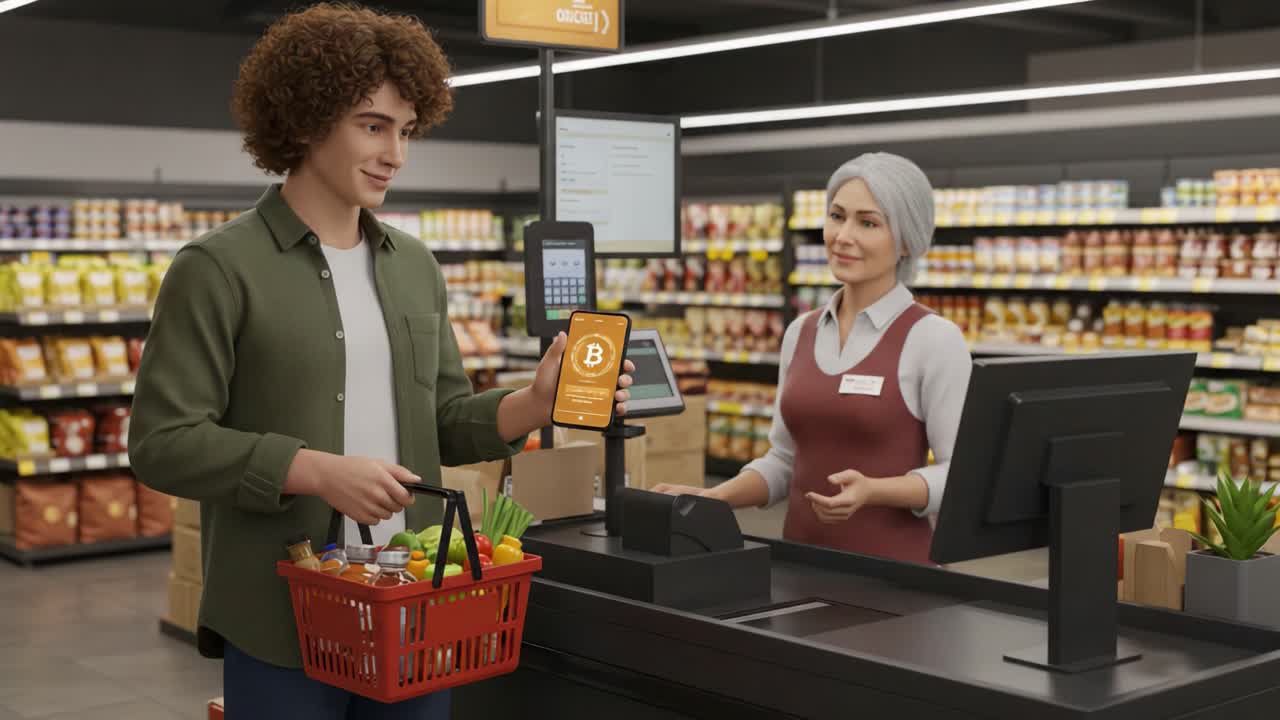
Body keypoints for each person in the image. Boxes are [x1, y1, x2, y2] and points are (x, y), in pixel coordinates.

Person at [128, 5, 632, 718]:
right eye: (372, 125)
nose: (395, 152)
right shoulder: (216, 269)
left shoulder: (415, 269)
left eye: (406, 130)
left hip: (413, 603)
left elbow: (445, 422)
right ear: (306, 122)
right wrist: (315, 471)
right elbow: (162, 443)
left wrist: (535, 402)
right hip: (282, 615)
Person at [654, 152, 970, 564]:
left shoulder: (933, 338)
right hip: (798, 561)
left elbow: (961, 476)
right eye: (837, 216)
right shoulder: (800, 332)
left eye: (868, 222)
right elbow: (784, 461)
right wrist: (715, 497)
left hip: (897, 576)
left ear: (908, 240)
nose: (843, 235)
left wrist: (876, 491)